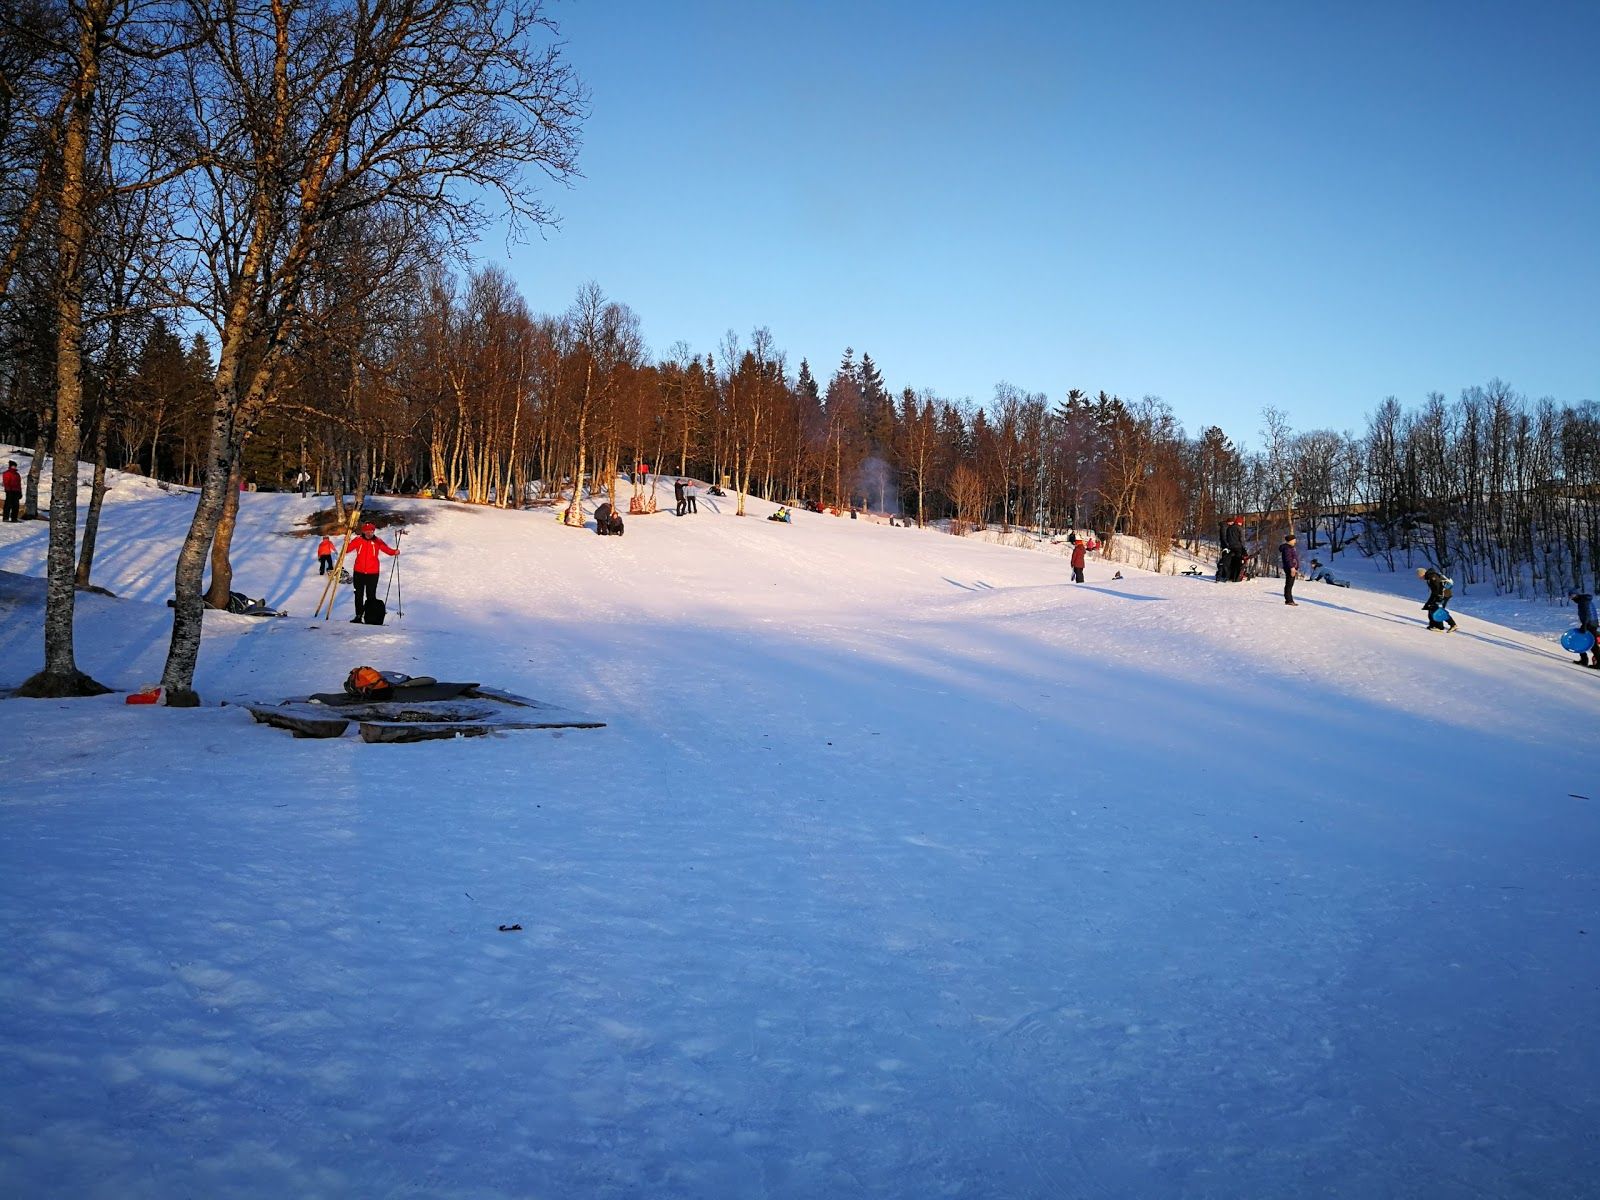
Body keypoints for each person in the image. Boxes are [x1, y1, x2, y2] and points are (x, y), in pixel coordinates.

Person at [348, 522, 398, 622]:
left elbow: (387, 550)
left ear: (373, 531)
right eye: (366, 531)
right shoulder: (358, 540)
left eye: (371, 531)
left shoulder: (377, 541)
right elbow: (346, 550)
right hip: (358, 572)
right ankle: (358, 616)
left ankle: (370, 617)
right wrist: (346, 543)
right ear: (363, 531)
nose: (369, 533)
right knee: (358, 595)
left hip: (373, 573)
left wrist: (394, 552)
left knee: (371, 595)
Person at [1417, 566, 1457, 631]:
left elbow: (1438, 588)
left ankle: (1446, 626)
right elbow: (1434, 592)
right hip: (1441, 594)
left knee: (1437, 610)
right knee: (1432, 608)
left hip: (1444, 594)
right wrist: (1428, 603)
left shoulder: (1432, 577)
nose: (1419, 578)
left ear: (1422, 574)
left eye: (1419, 576)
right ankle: (1433, 625)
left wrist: (1439, 597)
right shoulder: (1429, 578)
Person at [1570, 593, 1599, 667]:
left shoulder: (1583, 601)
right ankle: (1584, 660)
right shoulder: (1583, 600)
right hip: (1591, 623)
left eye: (1572, 596)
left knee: (1593, 644)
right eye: (1570, 597)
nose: (1572, 598)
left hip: (1590, 624)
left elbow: (1587, 614)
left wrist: (1585, 625)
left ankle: (1596, 663)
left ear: (1576, 595)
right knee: (1580, 641)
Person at [1224, 517, 1247, 581]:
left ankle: (1229, 575)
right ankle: (1236, 577)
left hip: (1231, 547)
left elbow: (1227, 538)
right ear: (1239, 522)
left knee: (1232, 561)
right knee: (1238, 562)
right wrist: (1243, 547)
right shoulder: (1239, 528)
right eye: (1241, 523)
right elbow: (1242, 539)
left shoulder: (1228, 528)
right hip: (1238, 547)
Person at [1279, 533, 1299, 605]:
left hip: (1291, 568)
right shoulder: (1287, 548)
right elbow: (1288, 559)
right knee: (1289, 584)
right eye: (1294, 540)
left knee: (1290, 584)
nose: (1295, 541)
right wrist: (1292, 568)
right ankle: (1289, 600)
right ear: (1290, 541)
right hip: (1289, 568)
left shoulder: (1290, 548)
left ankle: (1289, 600)